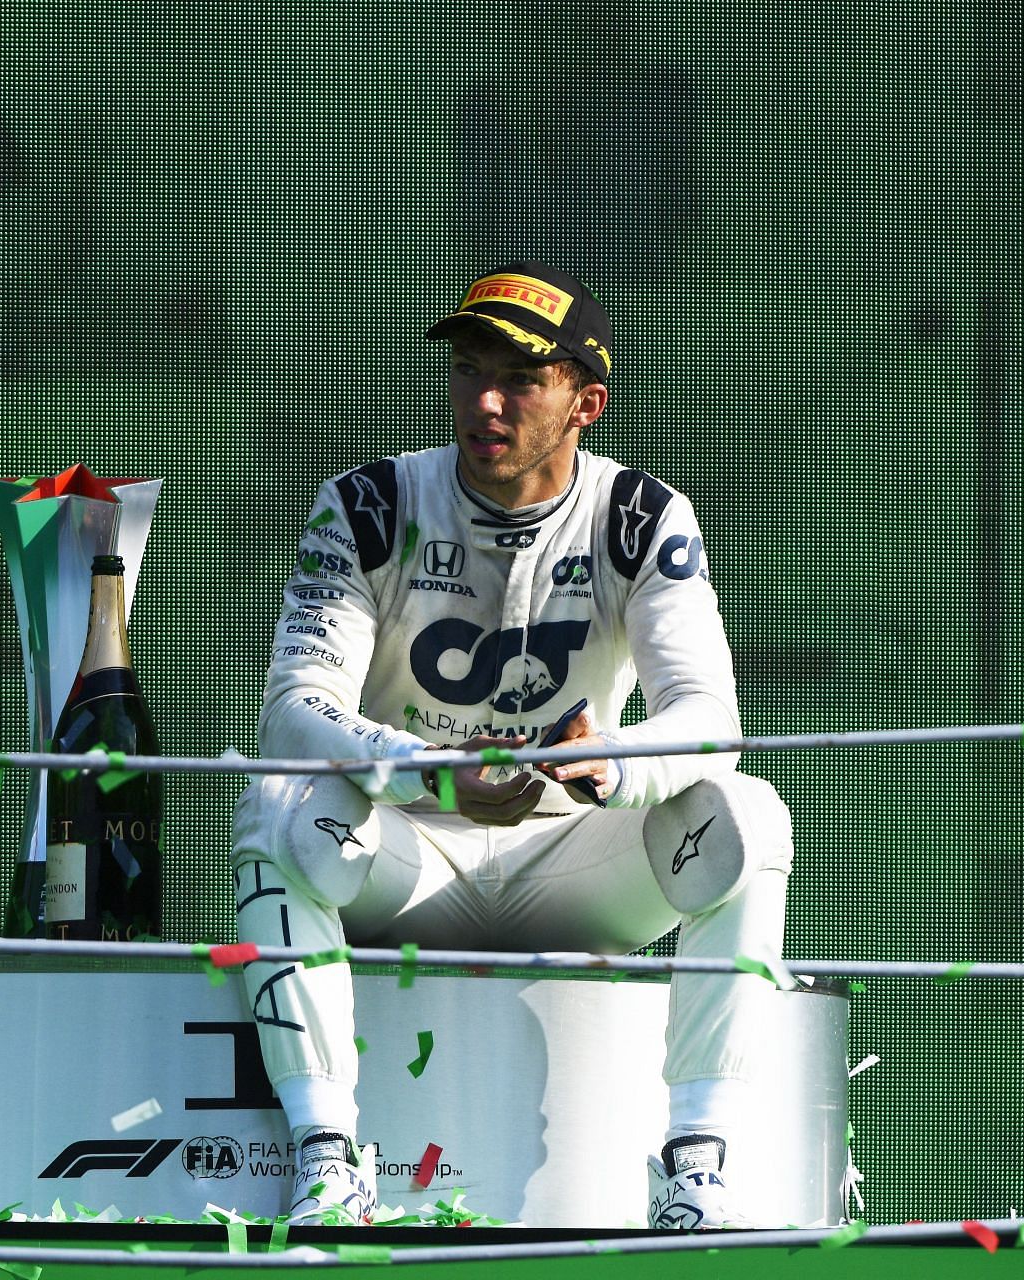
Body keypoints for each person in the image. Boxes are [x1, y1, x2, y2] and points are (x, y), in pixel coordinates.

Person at [232, 262, 794, 1229]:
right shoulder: (370, 503)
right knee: (279, 806)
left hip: (575, 865)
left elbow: (710, 720)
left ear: (588, 403)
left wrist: (613, 764)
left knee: (748, 817)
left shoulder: (641, 517)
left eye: (522, 378)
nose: (483, 400)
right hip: (407, 856)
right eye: (467, 368)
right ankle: (327, 1160)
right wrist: (430, 776)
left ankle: (697, 1166)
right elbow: (293, 708)